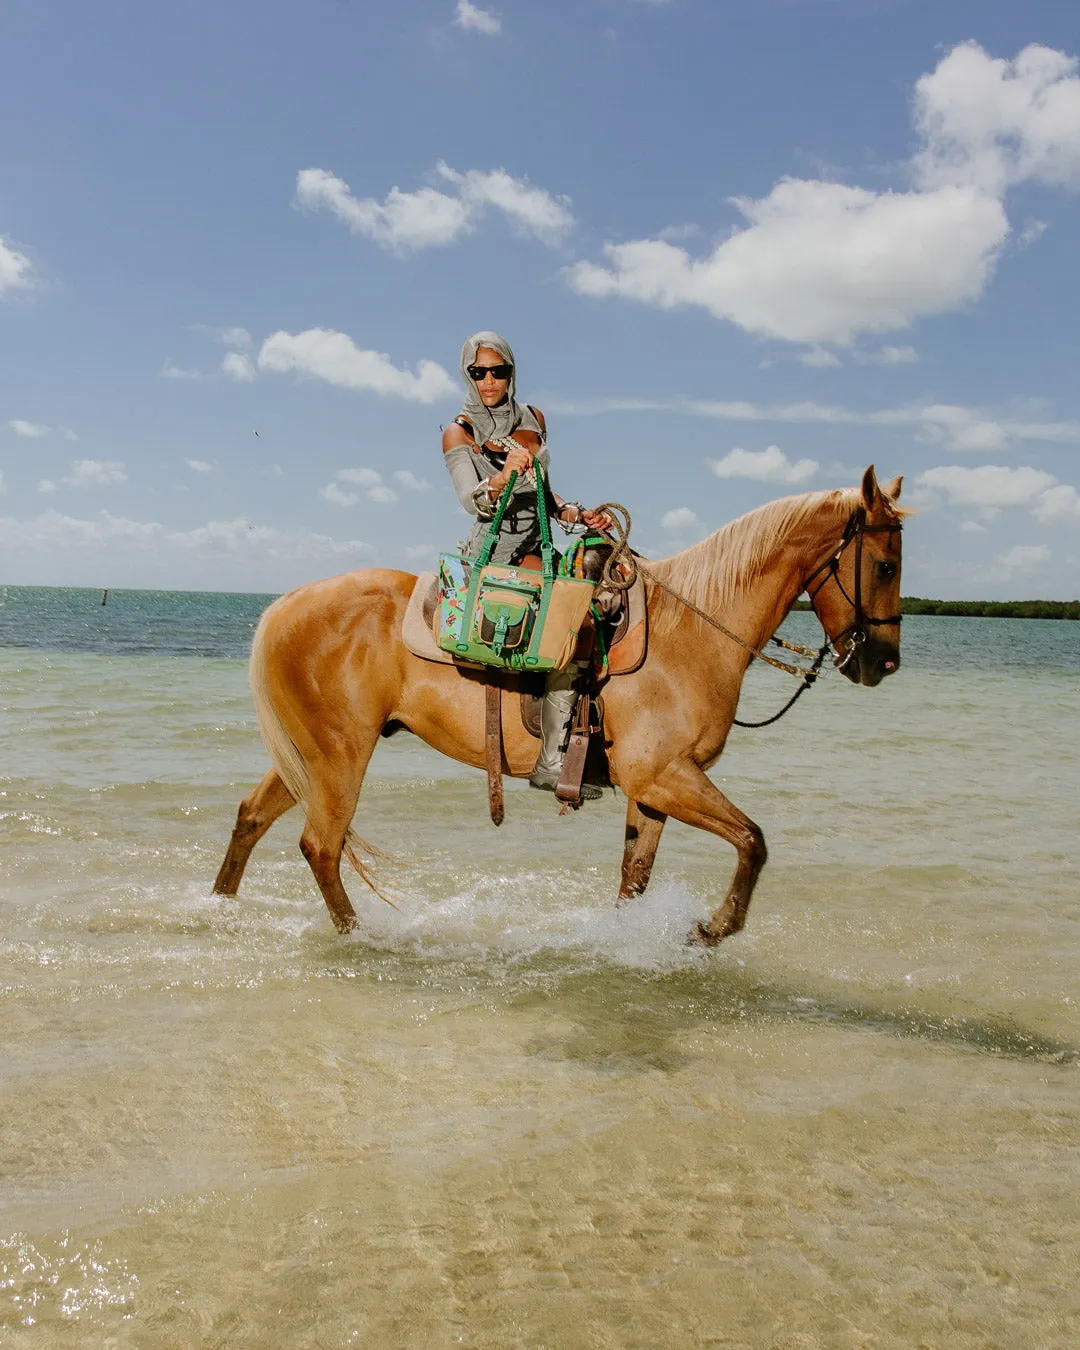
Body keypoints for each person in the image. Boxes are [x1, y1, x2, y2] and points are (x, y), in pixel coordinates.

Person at [442, 331, 611, 797]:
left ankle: (560, 752)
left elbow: (542, 491)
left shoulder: (533, 418)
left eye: (499, 371)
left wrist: (573, 513)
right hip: (492, 552)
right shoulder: (459, 431)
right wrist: (503, 475)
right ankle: (552, 763)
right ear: (467, 375)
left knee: (584, 613)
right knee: (560, 630)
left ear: (512, 372)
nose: (489, 380)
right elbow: (470, 500)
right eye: (479, 372)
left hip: (539, 542)